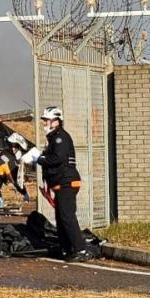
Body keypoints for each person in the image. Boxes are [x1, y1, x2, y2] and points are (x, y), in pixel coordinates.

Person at [36, 106, 89, 262]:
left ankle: (81, 250)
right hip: (62, 183)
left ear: (57, 121)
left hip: (68, 182)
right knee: (61, 218)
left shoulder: (60, 138)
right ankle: (66, 249)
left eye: (47, 120)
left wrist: (37, 158)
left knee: (67, 217)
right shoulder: (53, 138)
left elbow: (57, 159)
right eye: (44, 120)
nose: (44, 123)